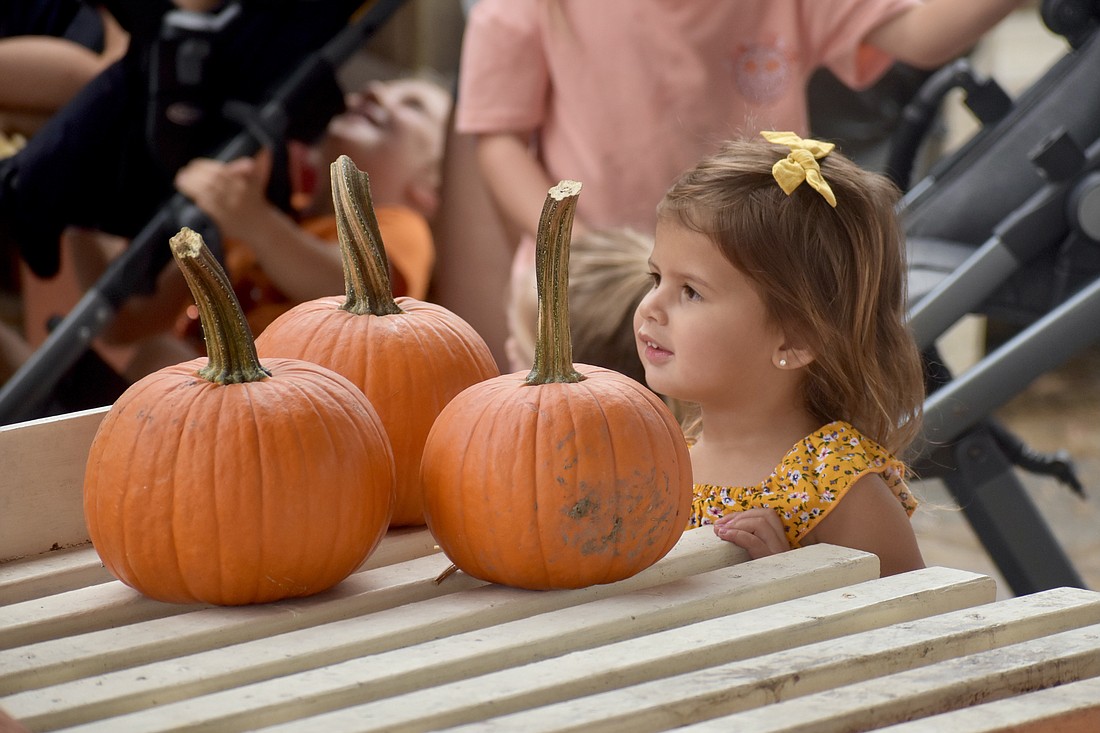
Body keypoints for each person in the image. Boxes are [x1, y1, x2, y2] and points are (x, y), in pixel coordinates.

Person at [455, 0, 1028, 361]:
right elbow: (500, 139)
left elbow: (920, 32)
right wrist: (578, 254)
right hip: (588, 292)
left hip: (749, 283)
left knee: (743, 467)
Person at [634, 131, 926, 577]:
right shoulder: (665, 460)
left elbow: (918, 625)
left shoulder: (835, 487)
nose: (651, 307)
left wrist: (786, 578)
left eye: (691, 292)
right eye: (656, 278)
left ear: (795, 339)